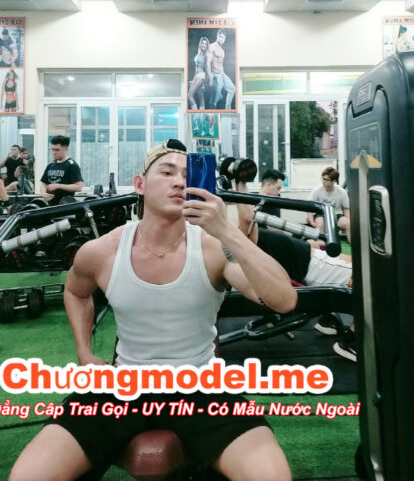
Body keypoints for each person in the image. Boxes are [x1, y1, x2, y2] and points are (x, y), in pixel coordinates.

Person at [10, 140, 296, 481]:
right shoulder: (104, 251)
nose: (179, 181)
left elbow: (284, 300)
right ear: (140, 185)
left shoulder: (212, 248)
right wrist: (84, 352)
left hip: (202, 389)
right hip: (122, 388)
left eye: (187, 175)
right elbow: (75, 291)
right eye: (167, 172)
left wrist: (226, 231)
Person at [234, 175, 355, 362]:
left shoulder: (250, 233)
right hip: (314, 267)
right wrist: (240, 181)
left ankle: (326, 321)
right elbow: (247, 216)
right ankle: (351, 341)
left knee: (360, 265)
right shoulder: (245, 241)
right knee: (368, 277)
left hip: (314, 257)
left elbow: (248, 215)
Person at [306, 167, 351, 242]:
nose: (324, 181)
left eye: (327, 180)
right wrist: (311, 221)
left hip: (336, 215)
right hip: (321, 214)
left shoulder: (342, 192)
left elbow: (346, 208)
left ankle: (354, 246)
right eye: (323, 179)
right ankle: (320, 246)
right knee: (320, 223)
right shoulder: (317, 190)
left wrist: (349, 220)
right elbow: (309, 206)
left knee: (348, 223)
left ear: (334, 181)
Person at [40, 135, 83, 205]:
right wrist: (43, 193)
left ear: (65, 148)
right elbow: (43, 183)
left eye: (57, 150)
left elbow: (79, 187)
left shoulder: (72, 165)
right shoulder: (50, 165)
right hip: (49, 206)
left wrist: (58, 186)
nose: (54, 152)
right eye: (52, 149)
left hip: (65, 206)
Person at [206, 30, 235, 110]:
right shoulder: (211, 46)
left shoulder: (222, 51)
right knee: (215, 99)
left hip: (222, 74)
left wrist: (223, 77)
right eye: (221, 37)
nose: (222, 39)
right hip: (215, 75)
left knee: (232, 89)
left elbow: (221, 64)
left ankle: (227, 109)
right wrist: (210, 77)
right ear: (217, 36)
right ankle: (211, 113)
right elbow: (207, 63)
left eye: (224, 38)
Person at [188, 36, 209, 110]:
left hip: (201, 76)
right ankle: (201, 114)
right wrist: (193, 79)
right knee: (201, 97)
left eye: (206, 44)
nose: (204, 45)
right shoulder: (198, 53)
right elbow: (196, 68)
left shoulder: (206, 55)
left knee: (190, 95)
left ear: (207, 46)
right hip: (196, 76)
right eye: (203, 43)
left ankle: (196, 113)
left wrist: (205, 82)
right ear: (200, 43)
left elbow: (208, 69)